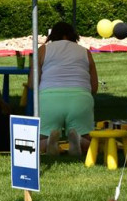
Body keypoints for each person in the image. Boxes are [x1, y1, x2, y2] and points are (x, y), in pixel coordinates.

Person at [30, 21, 98, 155]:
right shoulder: (85, 52)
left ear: (53, 35)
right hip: (80, 99)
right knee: (88, 141)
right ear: (72, 35)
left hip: (50, 100)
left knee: (40, 139)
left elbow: (33, 83)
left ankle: (49, 142)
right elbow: (94, 87)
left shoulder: (43, 50)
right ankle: (79, 140)